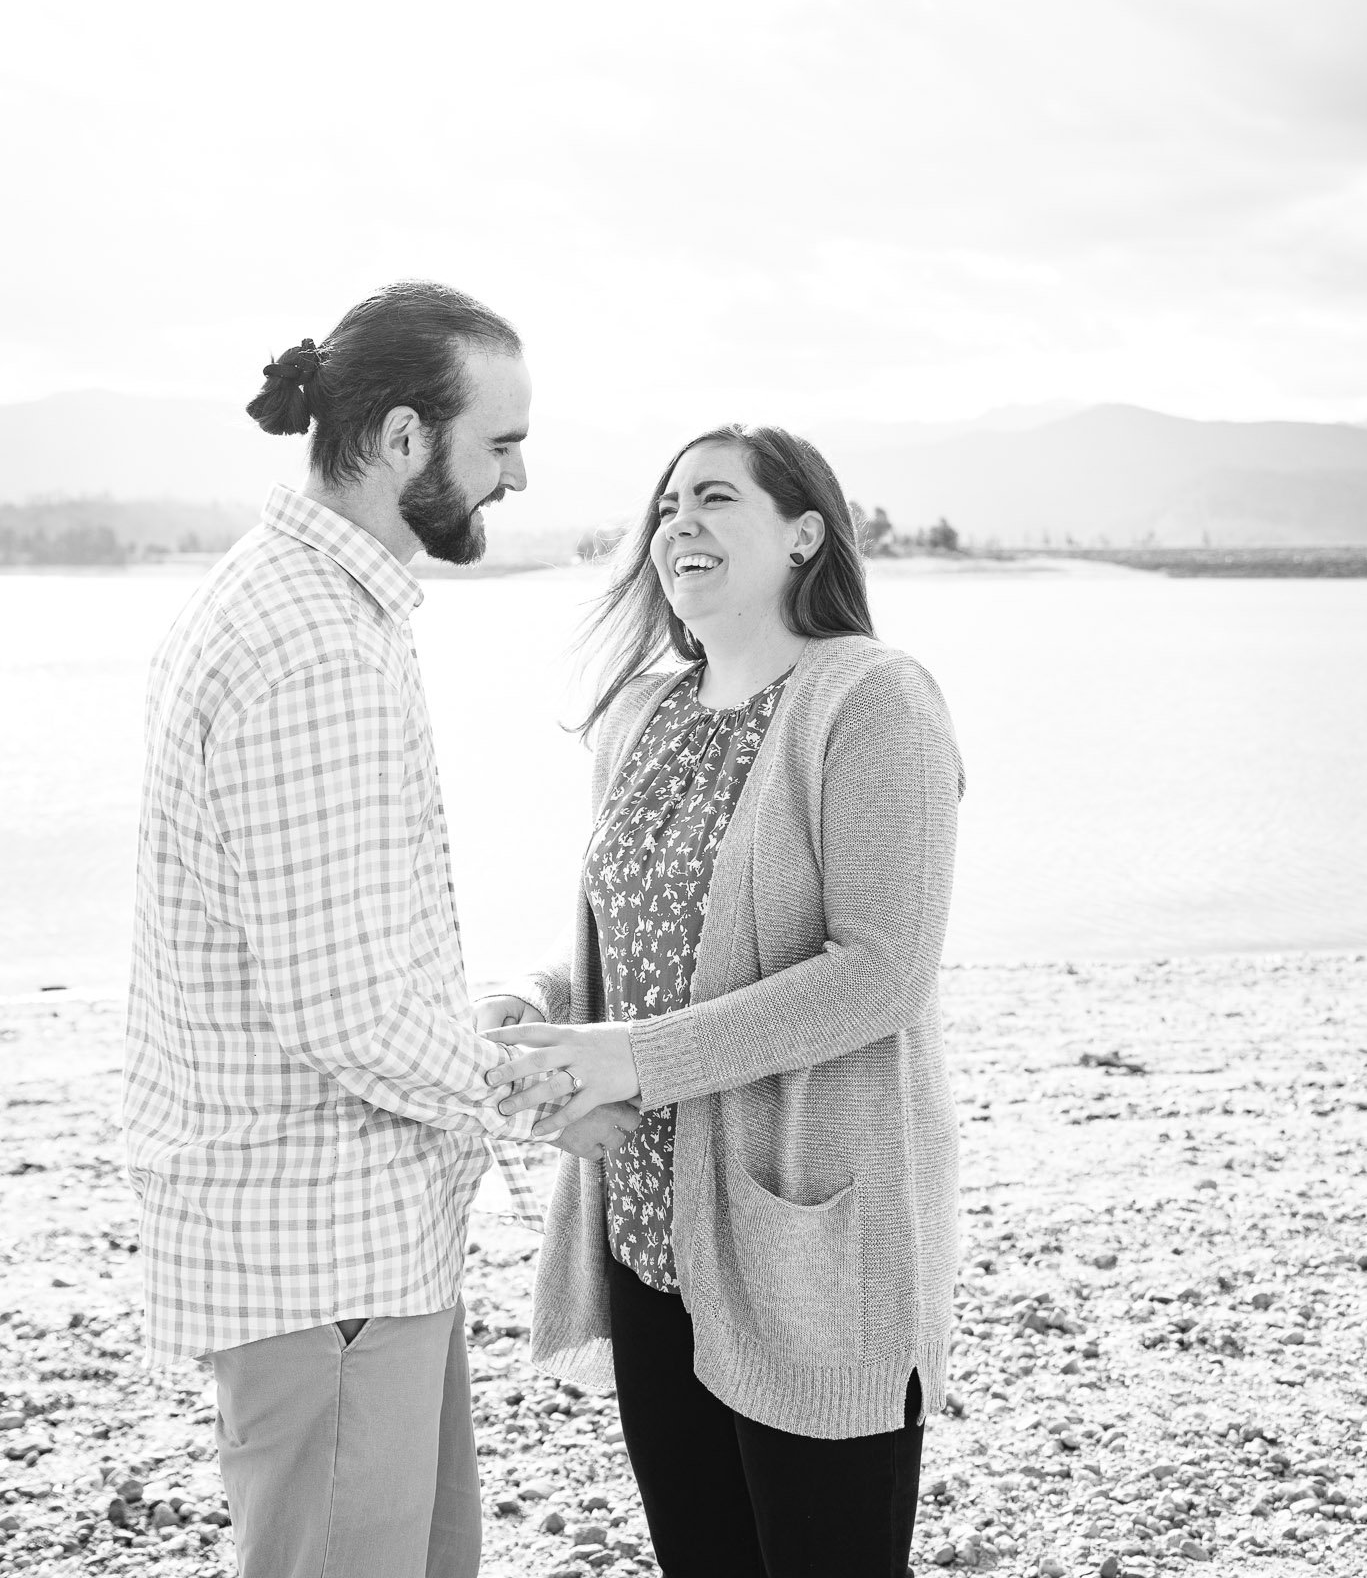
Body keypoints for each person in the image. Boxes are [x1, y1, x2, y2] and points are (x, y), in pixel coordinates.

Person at [123, 279, 637, 1578]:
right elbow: (345, 1013)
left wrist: (476, 1034)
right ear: (404, 439)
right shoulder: (305, 642)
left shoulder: (319, 605)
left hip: (360, 1245)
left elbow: (340, 965)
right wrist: (543, 1100)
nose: (517, 477)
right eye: (500, 444)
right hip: (326, 1258)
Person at [480, 423, 965, 1578]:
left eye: (713, 497)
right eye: (663, 506)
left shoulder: (872, 697)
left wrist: (629, 1058)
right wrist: (522, 998)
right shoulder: (640, 714)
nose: (676, 522)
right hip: (647, 1233)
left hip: (811, 1228)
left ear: (804, 532)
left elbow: (880, 967)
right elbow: (632, 937)